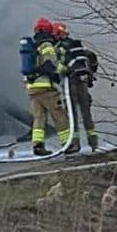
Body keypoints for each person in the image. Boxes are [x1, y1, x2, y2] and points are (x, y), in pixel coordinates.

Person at [26, 18, 78, 156]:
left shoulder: (33, 45)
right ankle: (68, 144)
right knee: (59, 115)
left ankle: (37, 146)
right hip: (45, 88)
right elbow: (52, 64)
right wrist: (66, 70)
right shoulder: (47, 45)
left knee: (39, 118)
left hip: (32, 88)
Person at [53, 22, 99, 152]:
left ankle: (75, 144)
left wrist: (58, 75)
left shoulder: (59, 48)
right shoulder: (77, 46)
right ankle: (94, 143)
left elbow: (57, 65)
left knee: (71, 116)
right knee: (87, 114)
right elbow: (92, 56)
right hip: (83, 83)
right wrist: (91, 75)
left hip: (70, 84)